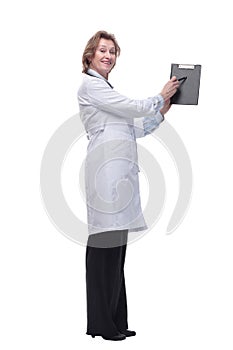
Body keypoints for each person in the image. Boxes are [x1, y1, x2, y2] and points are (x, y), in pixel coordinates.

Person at [77, 30, 179, 341]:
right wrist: (158, 97)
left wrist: (161, 112)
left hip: (119, 179)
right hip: (104, 177)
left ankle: (116, 321)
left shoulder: (107, 94)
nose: (108, 55)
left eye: (112, 51)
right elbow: (132, 106)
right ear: (90, 56)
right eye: (102, 50)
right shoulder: (91, 86)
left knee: (116, 253)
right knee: (102, 252)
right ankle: (101, 324)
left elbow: (133, 127)